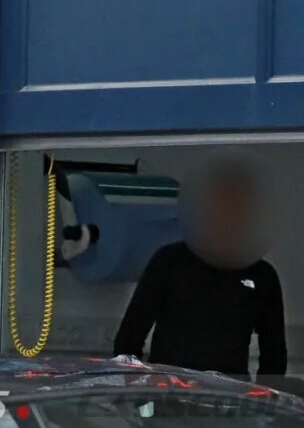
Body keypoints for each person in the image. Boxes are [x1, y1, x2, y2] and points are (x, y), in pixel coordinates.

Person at [112, 162, 287, 381]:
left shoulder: (262, 276)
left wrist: (264, 397)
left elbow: (274, 354)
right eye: (222, 203)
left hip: (229, 395)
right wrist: (136, 388)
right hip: (169, 392)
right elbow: (129, 338)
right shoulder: (170, 261)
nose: (229, 213)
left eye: (238, 206)